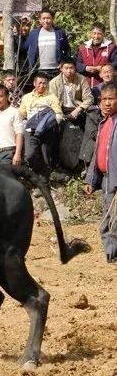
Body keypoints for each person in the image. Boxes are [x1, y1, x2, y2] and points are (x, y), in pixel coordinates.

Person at [83, 82, 116, 263]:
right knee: (107, 217)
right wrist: (90, 179)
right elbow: (98, 154)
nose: (107, 103)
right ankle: (110, 254)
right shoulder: (104, 123)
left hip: (115, 180)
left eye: (111, 99)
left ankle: (113, 255)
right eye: (104, 99)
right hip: (105, 179)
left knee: (113, 220)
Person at [19, 74, 63, 179]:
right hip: (30, 131)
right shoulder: (26, 97)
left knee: (45, 156)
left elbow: (58, 115)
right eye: (40, 83)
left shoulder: (52, 97)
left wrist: (49, 125)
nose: (42, 86)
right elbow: (21, 114)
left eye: (44, 83)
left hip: (46, 132)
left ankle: (43, 182)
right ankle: (36, 174)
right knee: (29, 155)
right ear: (34, 83)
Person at [24, 8, 71, 79]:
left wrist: (63, 63)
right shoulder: (34, 33)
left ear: (52, 19)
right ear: (40, 20)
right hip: (39, 70)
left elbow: (67, 49)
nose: (46, 21)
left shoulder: (60, 32)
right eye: (44, 18)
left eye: (48, 18)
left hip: (56, 70)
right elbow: (25, 48)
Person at [48, 59, 92, 124]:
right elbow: (52, 101)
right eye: (66, 68)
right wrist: (59, 113)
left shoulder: (82, 79)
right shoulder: (54, 82)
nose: (69, 71)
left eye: (71, 68)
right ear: (61, 69)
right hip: (60, 109)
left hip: (77, 108)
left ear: (75, 68)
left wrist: (78, 110)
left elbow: (89, 98)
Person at [76, 22, 116, 89]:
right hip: (85, 85)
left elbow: (115, 63)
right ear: (91, 34)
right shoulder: (83, 47)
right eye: (94, 33)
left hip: (105, 85)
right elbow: (77, 64)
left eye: (99, 34)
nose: (96, 36)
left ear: (104, 34)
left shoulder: (111, 47)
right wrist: (86, 68)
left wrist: (103, 68)